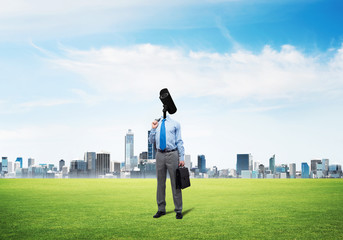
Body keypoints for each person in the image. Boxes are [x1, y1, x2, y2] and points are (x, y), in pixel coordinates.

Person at [149, 115, 185, 219]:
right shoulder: (157, 123)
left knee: (175, 183)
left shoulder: (175, 124)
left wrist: (181, 157)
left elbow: (179, 141)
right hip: (159, 154)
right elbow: (151, 141)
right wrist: (153, 129)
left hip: (172, 154)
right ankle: (161, 209)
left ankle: (178, 210)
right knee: (160, 183)